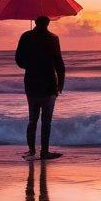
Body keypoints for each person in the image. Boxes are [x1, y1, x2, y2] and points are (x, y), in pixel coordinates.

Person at [15, 15, 65, 159]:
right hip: (49, 85)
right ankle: (44, 151)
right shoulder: (53, 38)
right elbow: (59, 63)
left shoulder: (26, 36)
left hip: (31, 83)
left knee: (33, 119)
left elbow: (18, 59)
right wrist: (61, 83)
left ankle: (31, 150)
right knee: (46, 121)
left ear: (35, 22)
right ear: (48, 23)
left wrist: (29, 66)